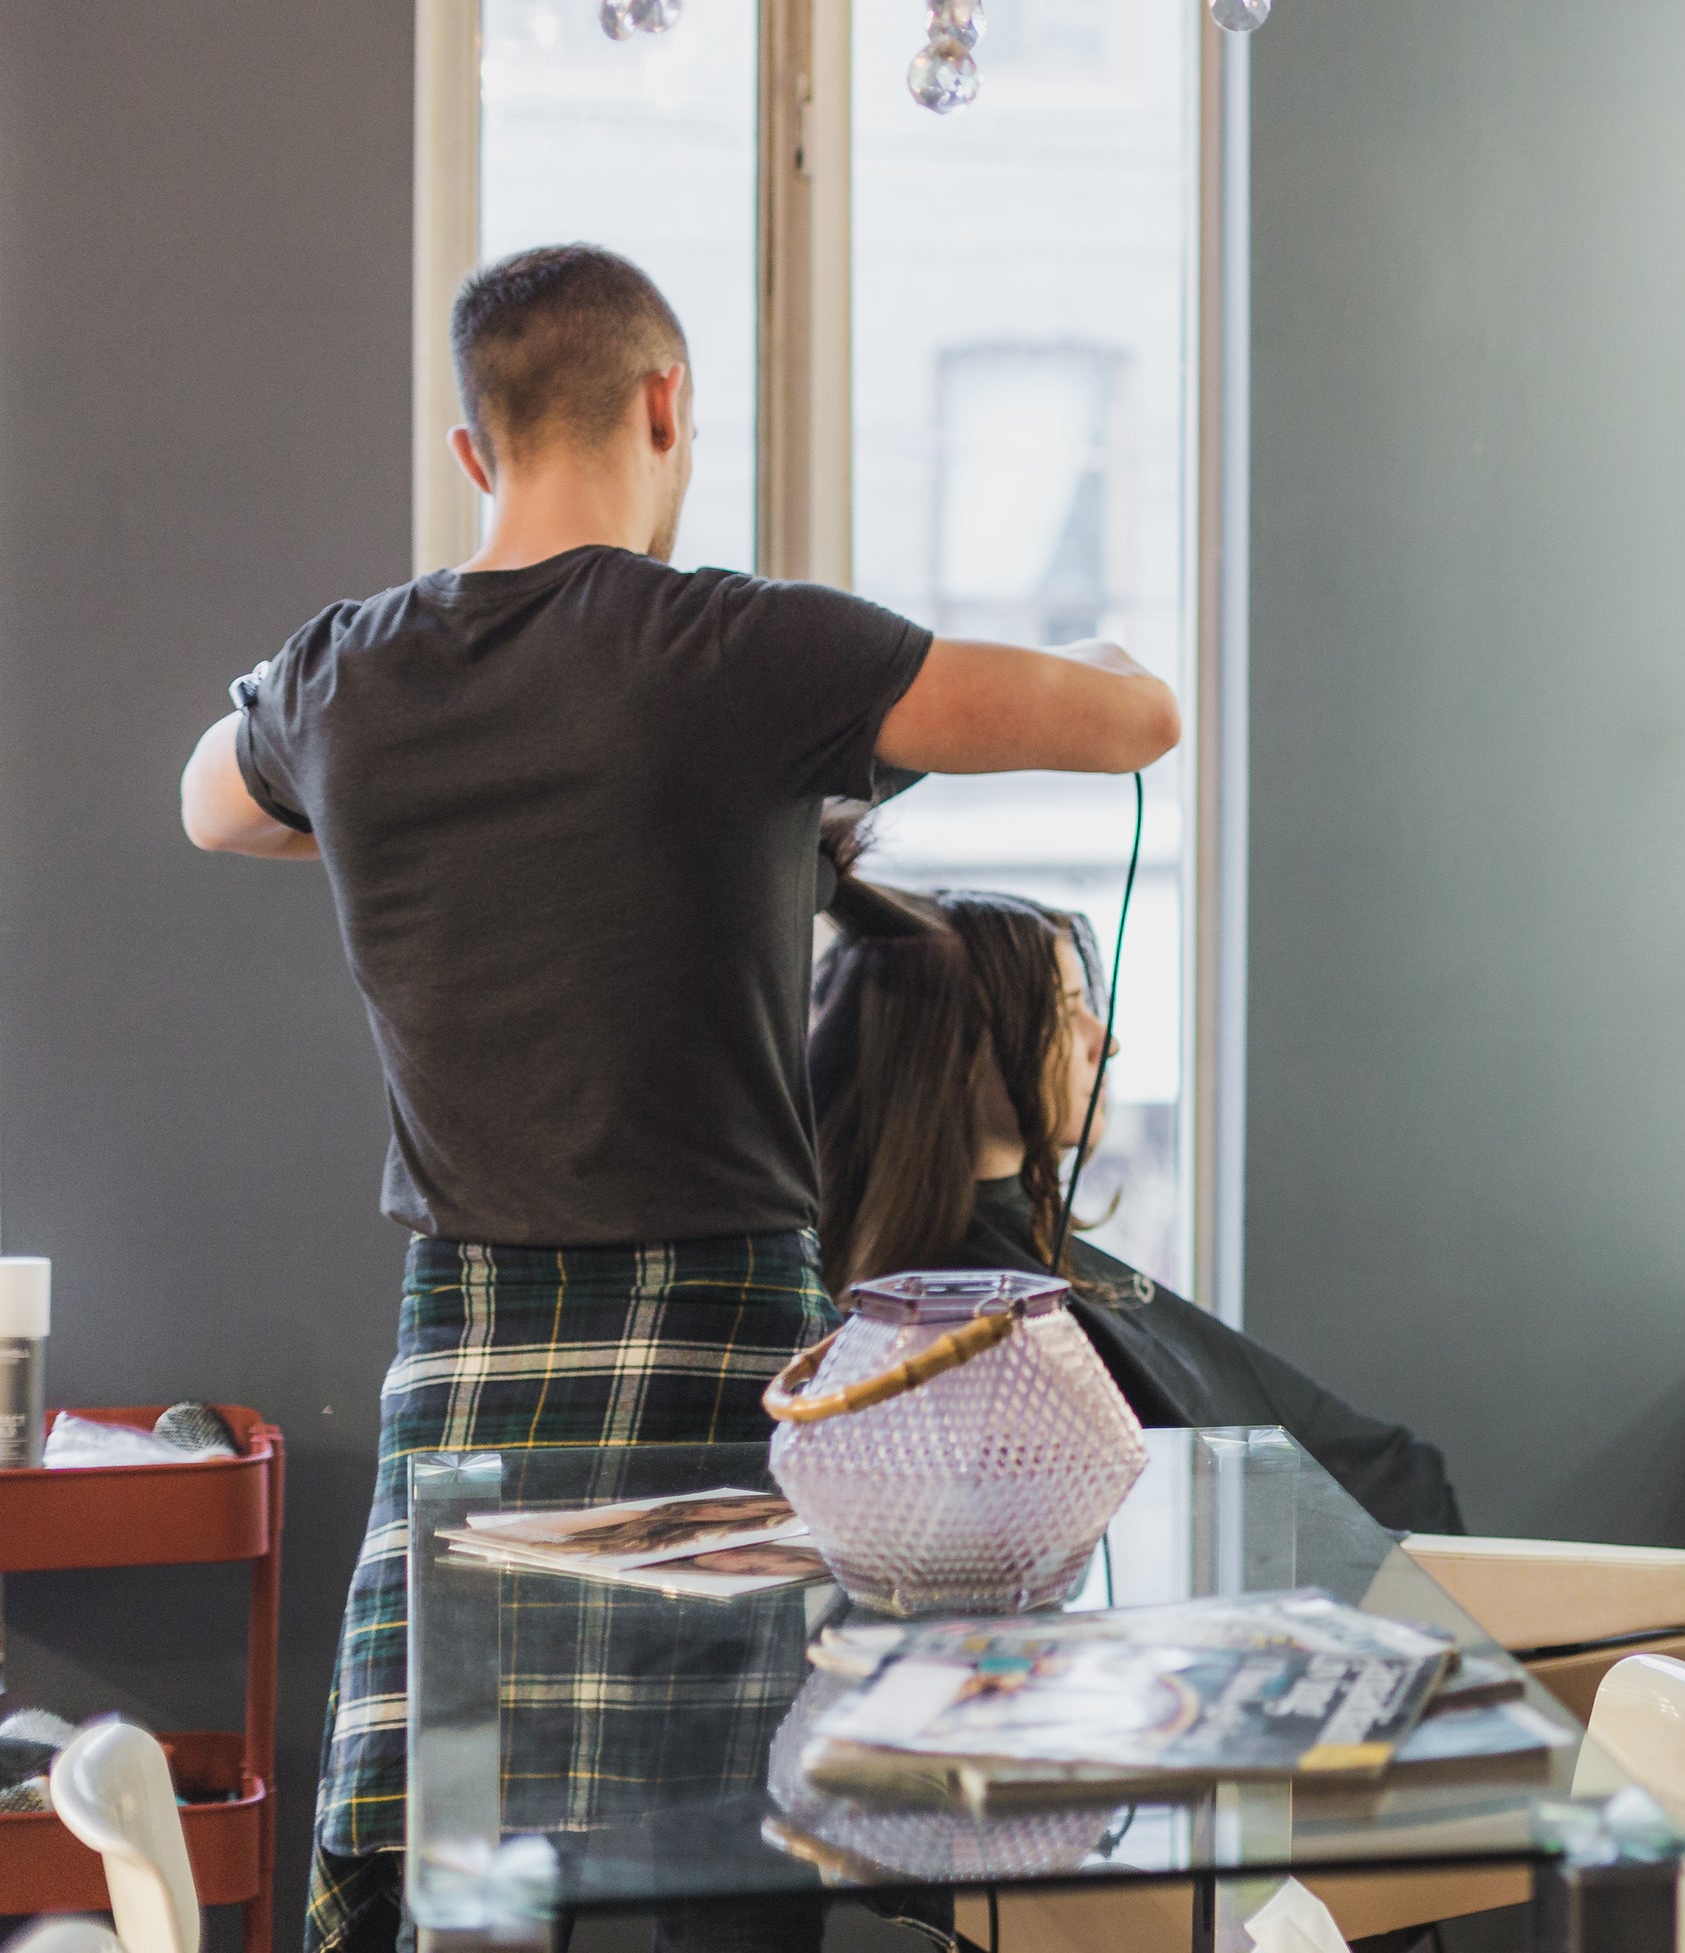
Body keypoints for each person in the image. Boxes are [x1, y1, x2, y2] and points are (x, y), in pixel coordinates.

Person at [179, 245, 1180, 1953]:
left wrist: (385, 801)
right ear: (667, 405)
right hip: (721, 1352)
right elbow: (1127, 722)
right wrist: (1104, 652)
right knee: (739, 1870)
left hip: (471, 1360)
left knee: (471, 1870)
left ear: (474, 446)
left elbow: (212, 803)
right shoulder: (743, 651)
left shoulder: (345, 676)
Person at [806, 816, 1464, 1533]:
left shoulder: (1007, 1271)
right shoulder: (960, 1321)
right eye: (1067, 1012)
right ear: (956, 1057)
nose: (1106, 1041)